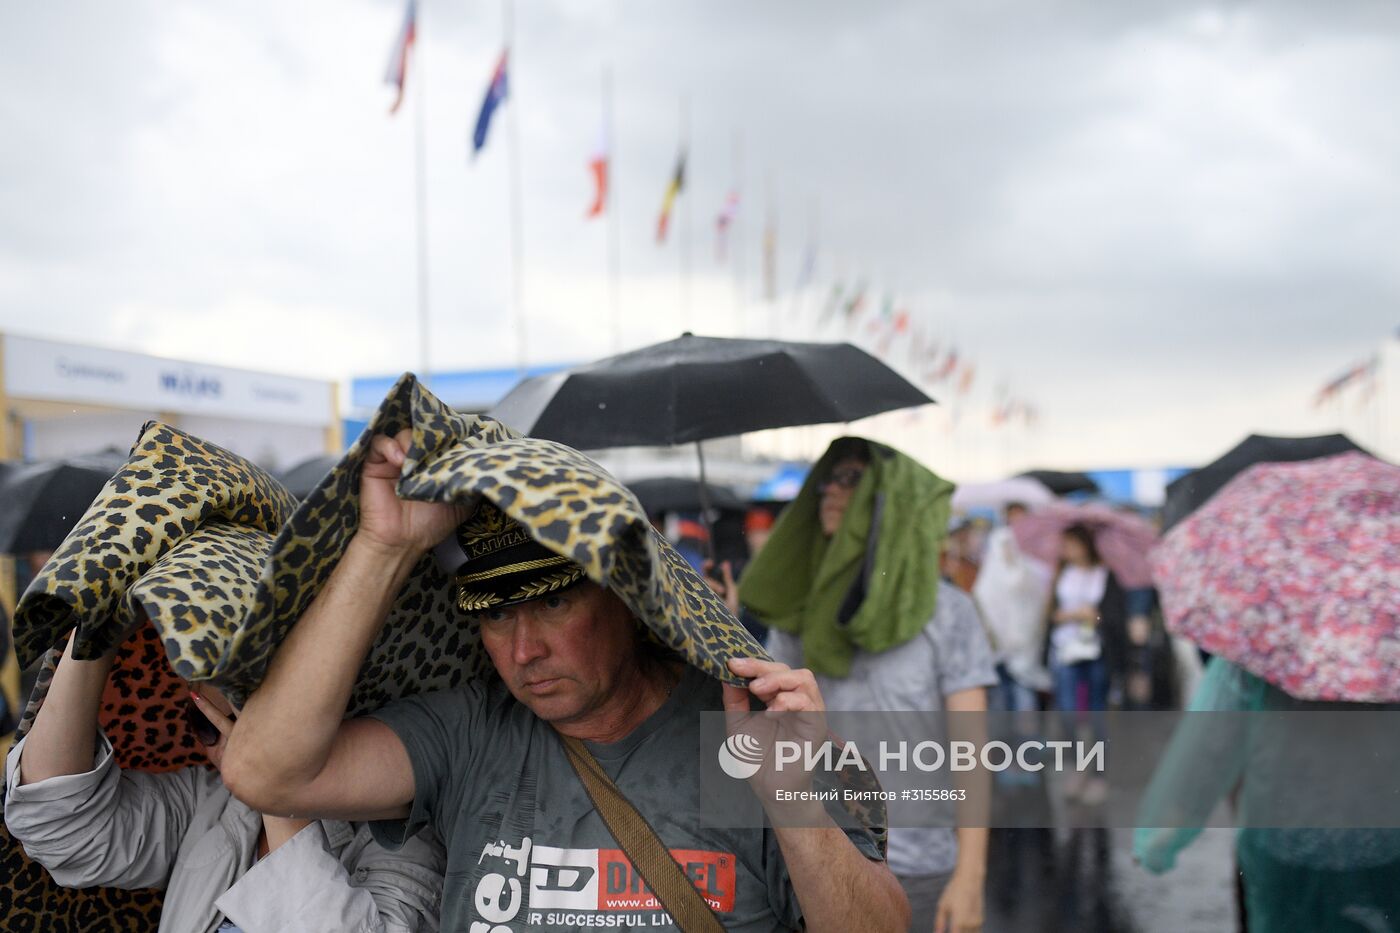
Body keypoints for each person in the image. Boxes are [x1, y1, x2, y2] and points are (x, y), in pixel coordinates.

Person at [222, 430, 910, 933]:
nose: (524, 650)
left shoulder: (753, 735)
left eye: (553, 604)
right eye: (495, 616)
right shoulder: (469, 732)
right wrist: (385, 546)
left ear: (628, 596)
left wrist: (790, 798)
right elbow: (267, 774)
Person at [4, 625, 444, 933]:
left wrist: (275, 785)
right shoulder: (213, 803)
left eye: (232, 725)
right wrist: (98, 634)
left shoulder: (404, 840)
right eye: (202, 723)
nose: (222, 751)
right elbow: (58, 825)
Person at [736, 437, 996, 933]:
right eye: (828, 479)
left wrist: (970, 875)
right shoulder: (799, 613)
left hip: (919, 863)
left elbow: (972, 750)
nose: (830, 491)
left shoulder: (946, 612)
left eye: (851, 478)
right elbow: (771, 725)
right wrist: (722, 627)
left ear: (886, 500)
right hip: (822, 860)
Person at [972, 503, 1053, 786]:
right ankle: (1004, 765)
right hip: (998, 654)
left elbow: (1029, 601)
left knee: (1024, 706)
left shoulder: (1027, 569)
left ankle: (1027, 762)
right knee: (1000, 708)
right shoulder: (989, 574)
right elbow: (986, 603)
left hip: (1023, 652)